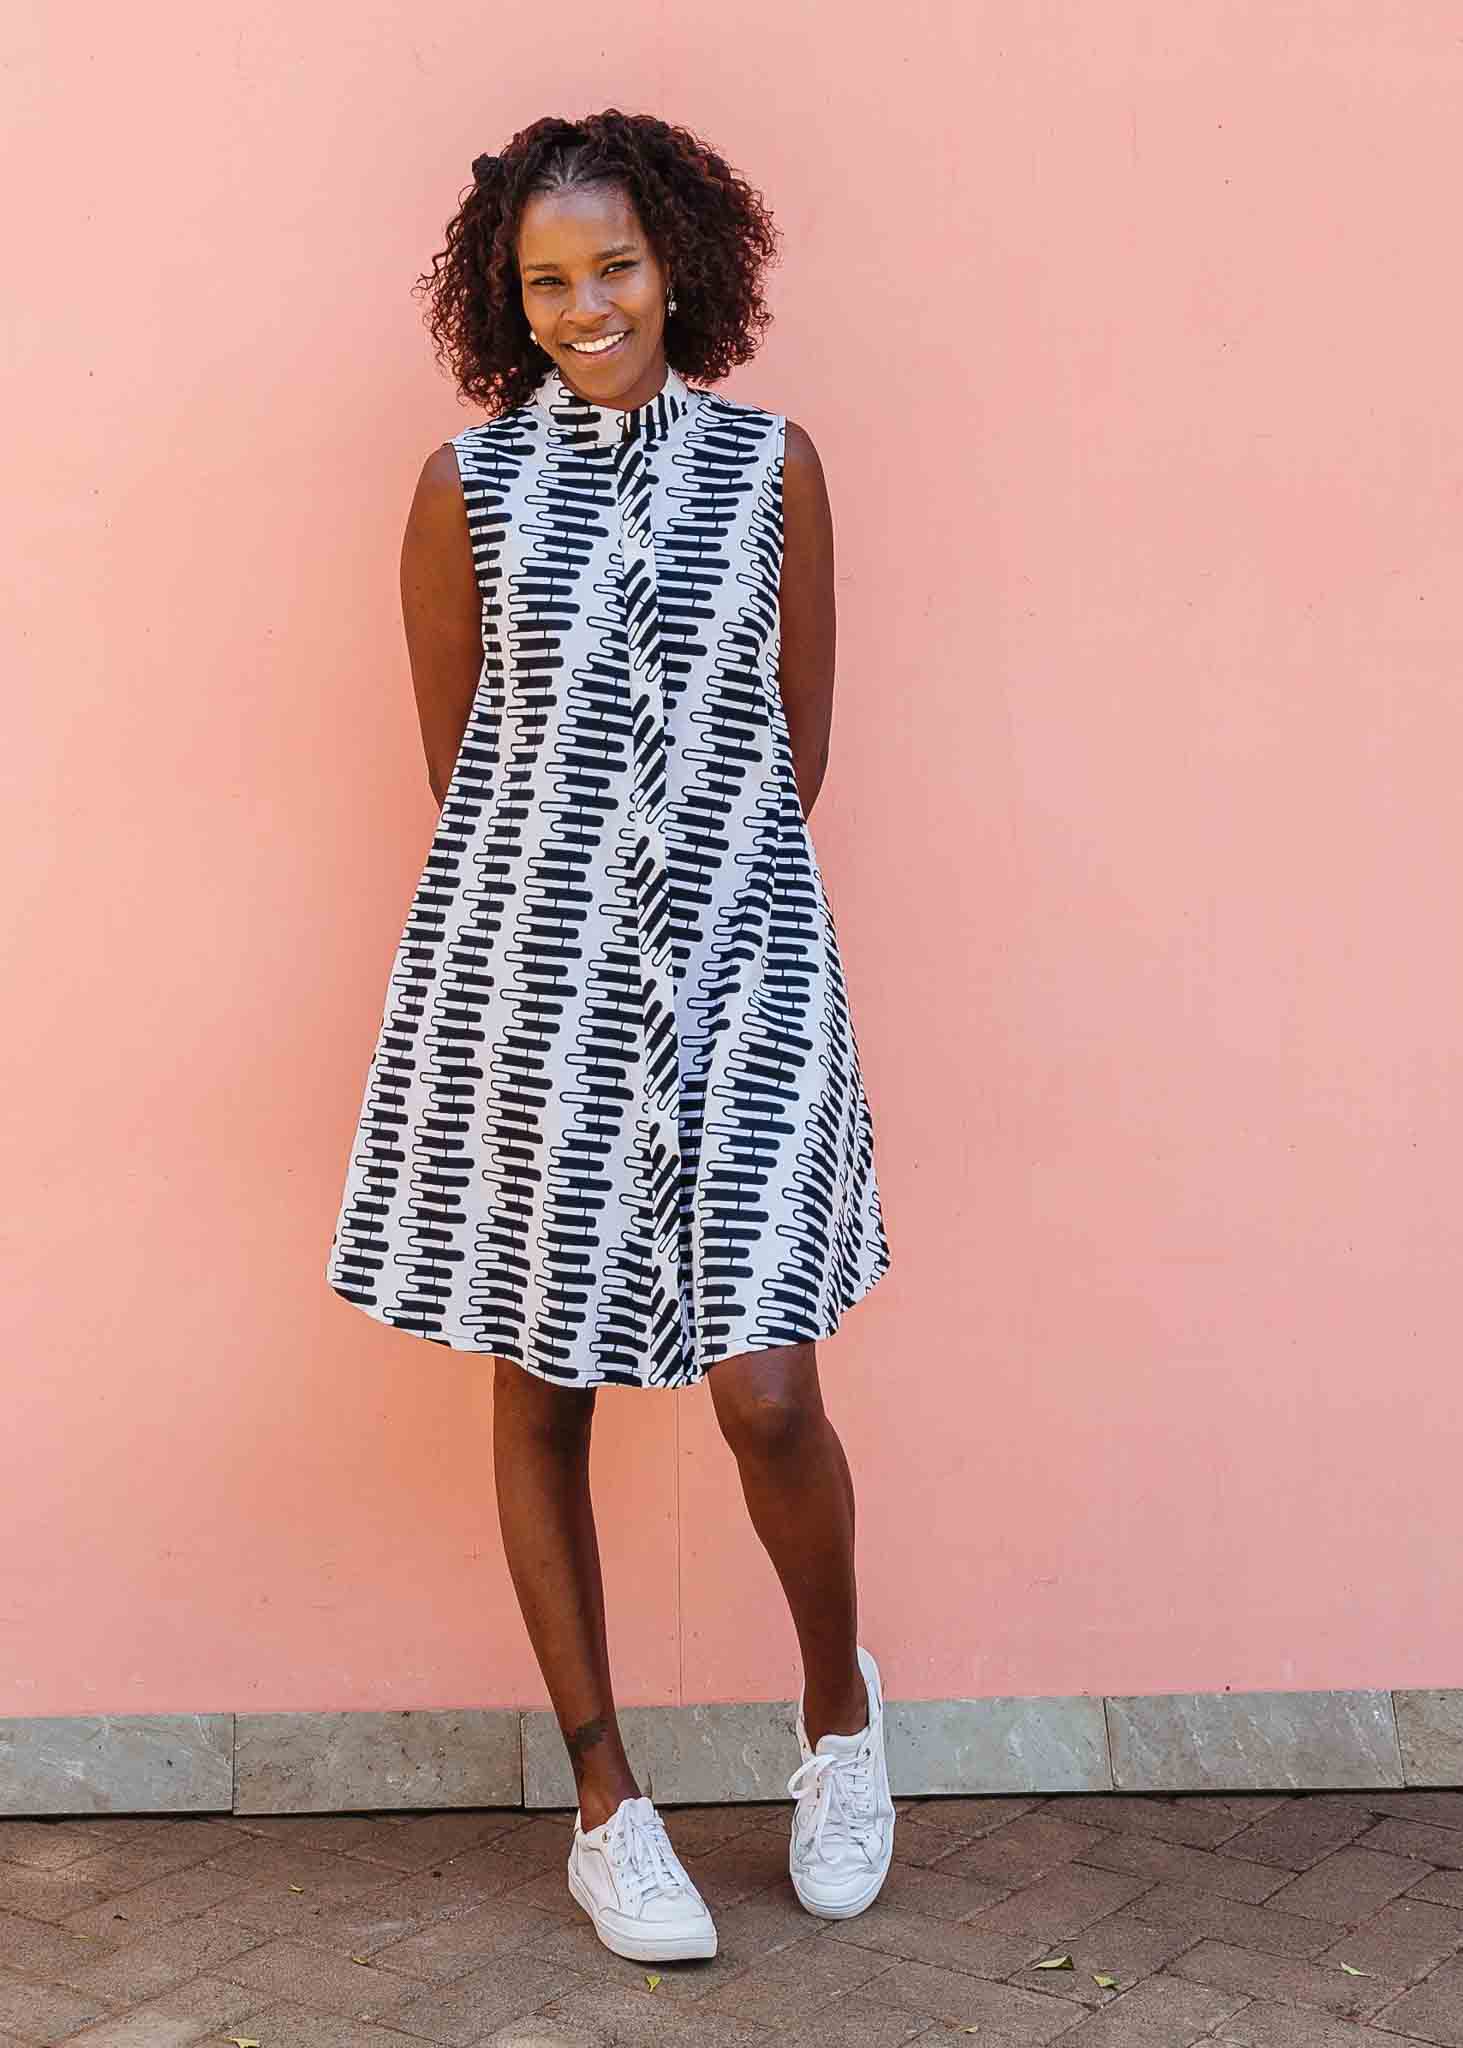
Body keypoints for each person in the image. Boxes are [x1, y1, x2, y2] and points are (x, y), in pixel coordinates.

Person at [324, 109, 895, 1965]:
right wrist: (574, 914)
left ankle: (839, 1723)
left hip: (745, 968)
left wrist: (698, 889)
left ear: (686, 268)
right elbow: (458, 767)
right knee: (540, 1385)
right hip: (528, 986)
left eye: (618, 268)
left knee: (770, 1394)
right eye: (548, 280)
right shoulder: (460, 490)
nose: (588, 307)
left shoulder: (775, 467)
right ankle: (606, 1803)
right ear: (509, 298)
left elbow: (795, 750)